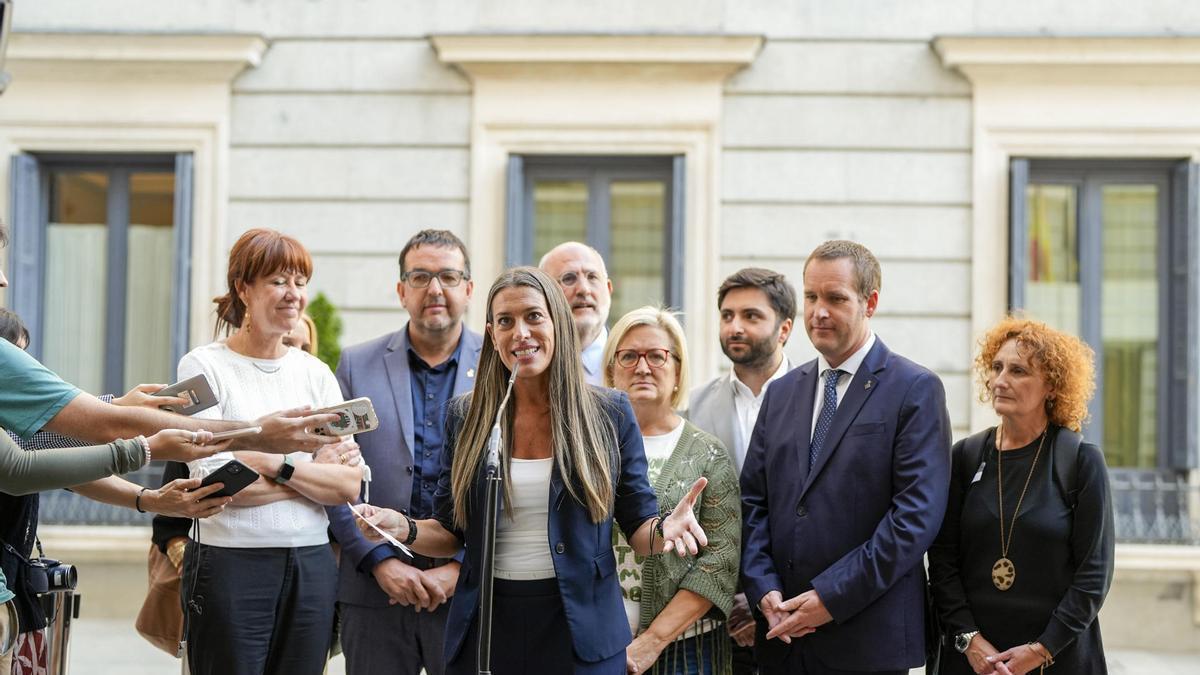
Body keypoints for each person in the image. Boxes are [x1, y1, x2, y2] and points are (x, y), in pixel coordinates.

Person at [353, 266, 710, 675]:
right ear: (492, 335)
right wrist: (402, 528)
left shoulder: (609, 413)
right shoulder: (466, 416)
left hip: (581, 632)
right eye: (506, 321)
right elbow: (452, 531)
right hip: (487, 629)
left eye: (533, 317)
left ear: (557, 322)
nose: (520, 332)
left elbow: (639, 527)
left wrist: (667, 530)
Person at [740, 240, 952, 674]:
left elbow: (914, 519)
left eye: (835, 299)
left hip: (866, 641)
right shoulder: (781, 393)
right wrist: (764, 589)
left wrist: (829, 598)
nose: (818, 312)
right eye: (812, 297)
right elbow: (752, 503)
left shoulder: (914, 389)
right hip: (782, 638)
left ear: (869, 302)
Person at [178, 228, 363, 675]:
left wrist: (271, 462)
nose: (293, 295)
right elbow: (218, 485)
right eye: (279, 281)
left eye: (299, 283)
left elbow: (348, 484)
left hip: (312, 565)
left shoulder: (316, 373)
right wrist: (309, 479)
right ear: (243, 288)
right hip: (228, 564)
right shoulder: (201, 366)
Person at [326, 229, 482, 675]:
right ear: (401, 291)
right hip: (373, 592)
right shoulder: (356, 364)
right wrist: (379, 561)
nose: (435, 289)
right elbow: (335, 480)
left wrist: (459, 567)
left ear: (468, 290)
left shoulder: (498, 363)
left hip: (468, 593)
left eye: (448, 276)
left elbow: (514, 483)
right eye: (420, 277)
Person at [929, 317, 1114, 675]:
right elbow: (941, 561)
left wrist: (1041, 649)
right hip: (974, 661)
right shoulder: (965, 457)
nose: (1000, 380)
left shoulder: (1080, 461)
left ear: (1052, 387)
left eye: (1018, 371)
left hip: (1058, 659)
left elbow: (1094, 575)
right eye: (996, 367)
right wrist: (969, 640)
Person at [603, 306, 740, 675]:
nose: (643, 367)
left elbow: (718, 564)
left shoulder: (708, 454)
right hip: (594, 646)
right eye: (628, 356)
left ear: (678, 370)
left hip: (684, 652)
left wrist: (651, 642)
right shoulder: (586, 448)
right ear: (610, 371)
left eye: (657, 356)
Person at [688, 267, 797, 670]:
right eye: (727, 315)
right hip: (711, 618)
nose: (735, 326)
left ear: (784, 328)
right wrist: (726, 598)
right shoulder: (694, 406)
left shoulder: (818, 400)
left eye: (751, 316)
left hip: (792, 611)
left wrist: (761, 596)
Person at [539, 242, 613, 385]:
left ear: (608, 289)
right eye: (569, 278)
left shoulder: (634, 365)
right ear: (543, 295)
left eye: (592, 277)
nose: (584, 289)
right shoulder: (524, 368)